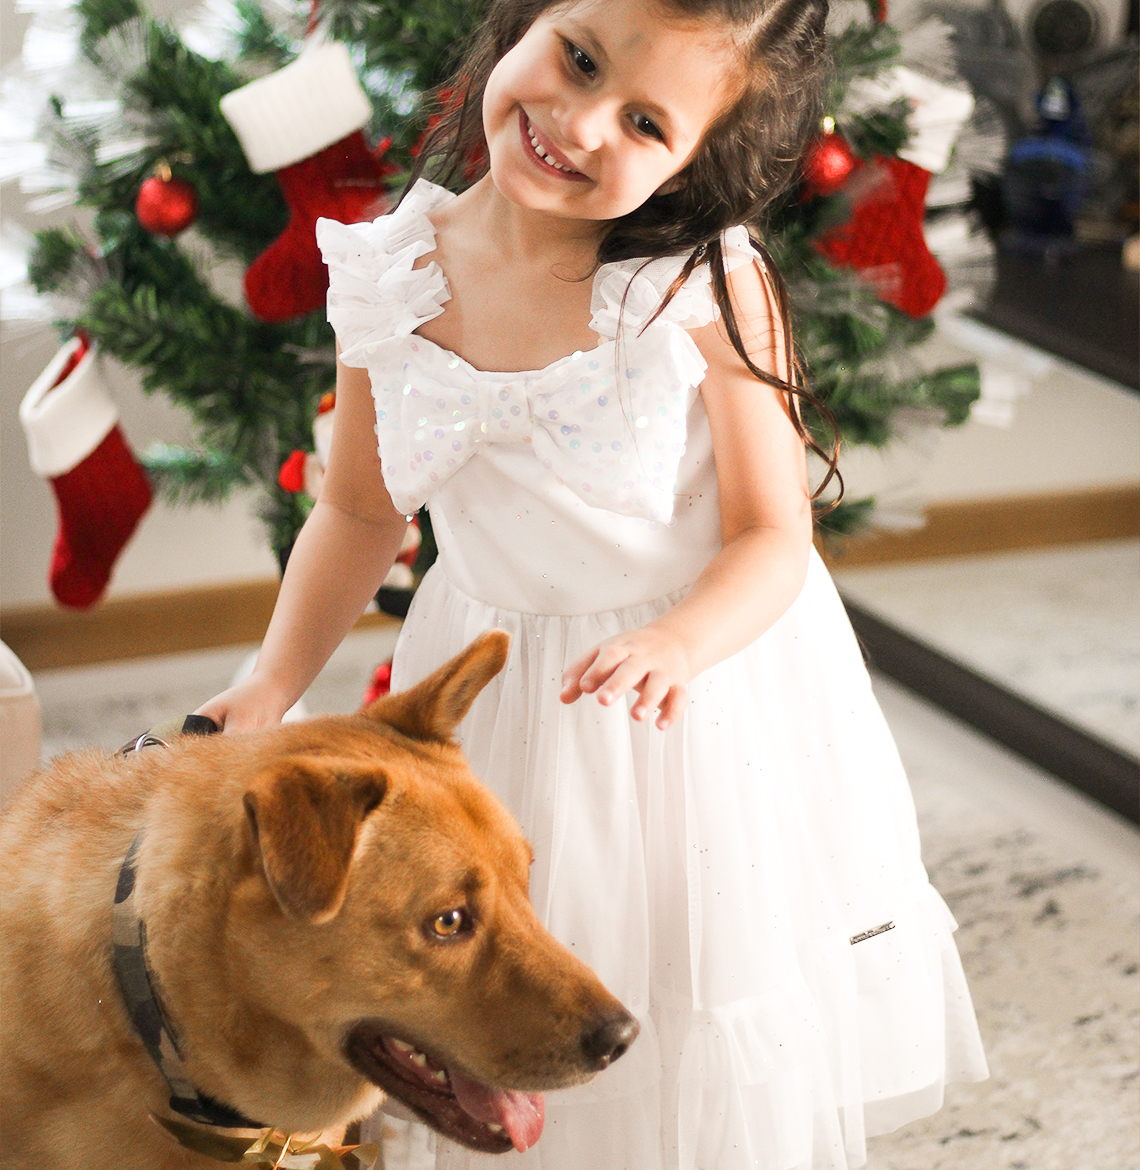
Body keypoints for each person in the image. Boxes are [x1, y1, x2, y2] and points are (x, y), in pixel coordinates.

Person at [199, 0, 988, 1164]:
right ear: (523, 22)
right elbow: (362, 509)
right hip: (485, 689)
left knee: (684, 992)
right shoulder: (389, 271)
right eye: (576, 58)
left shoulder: (698, 285)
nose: (577, 122)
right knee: (497, 977)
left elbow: (773, 535)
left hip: (680, 702)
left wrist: (678, 644)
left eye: (645, 122)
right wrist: (274, 679)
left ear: (692, 163)